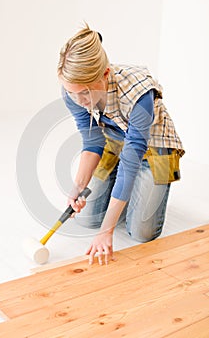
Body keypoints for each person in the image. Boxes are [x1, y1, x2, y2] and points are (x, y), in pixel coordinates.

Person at [57, 23, 185, 266]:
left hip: (154, 148)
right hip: (115, 142)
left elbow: (131, 160)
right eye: (72, 94)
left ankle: (137, 190)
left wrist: (107, 231)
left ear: (105, 74)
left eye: (84, 93)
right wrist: (78, 185)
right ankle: (126, 194)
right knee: (88, 219)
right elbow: (92, 140)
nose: (79, 101)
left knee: (141, 233)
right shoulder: (72, 91)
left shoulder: (139, 93)